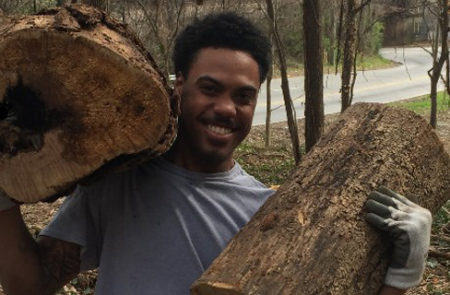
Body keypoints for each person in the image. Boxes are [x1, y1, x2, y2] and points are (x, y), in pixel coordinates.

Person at [0, 12, 431, 295]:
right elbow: (30, 285)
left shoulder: (273, 214)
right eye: (209, 88)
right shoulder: (118, 184)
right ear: (178, 85)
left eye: (243, 96)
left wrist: (403, 274)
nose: (226, 108)